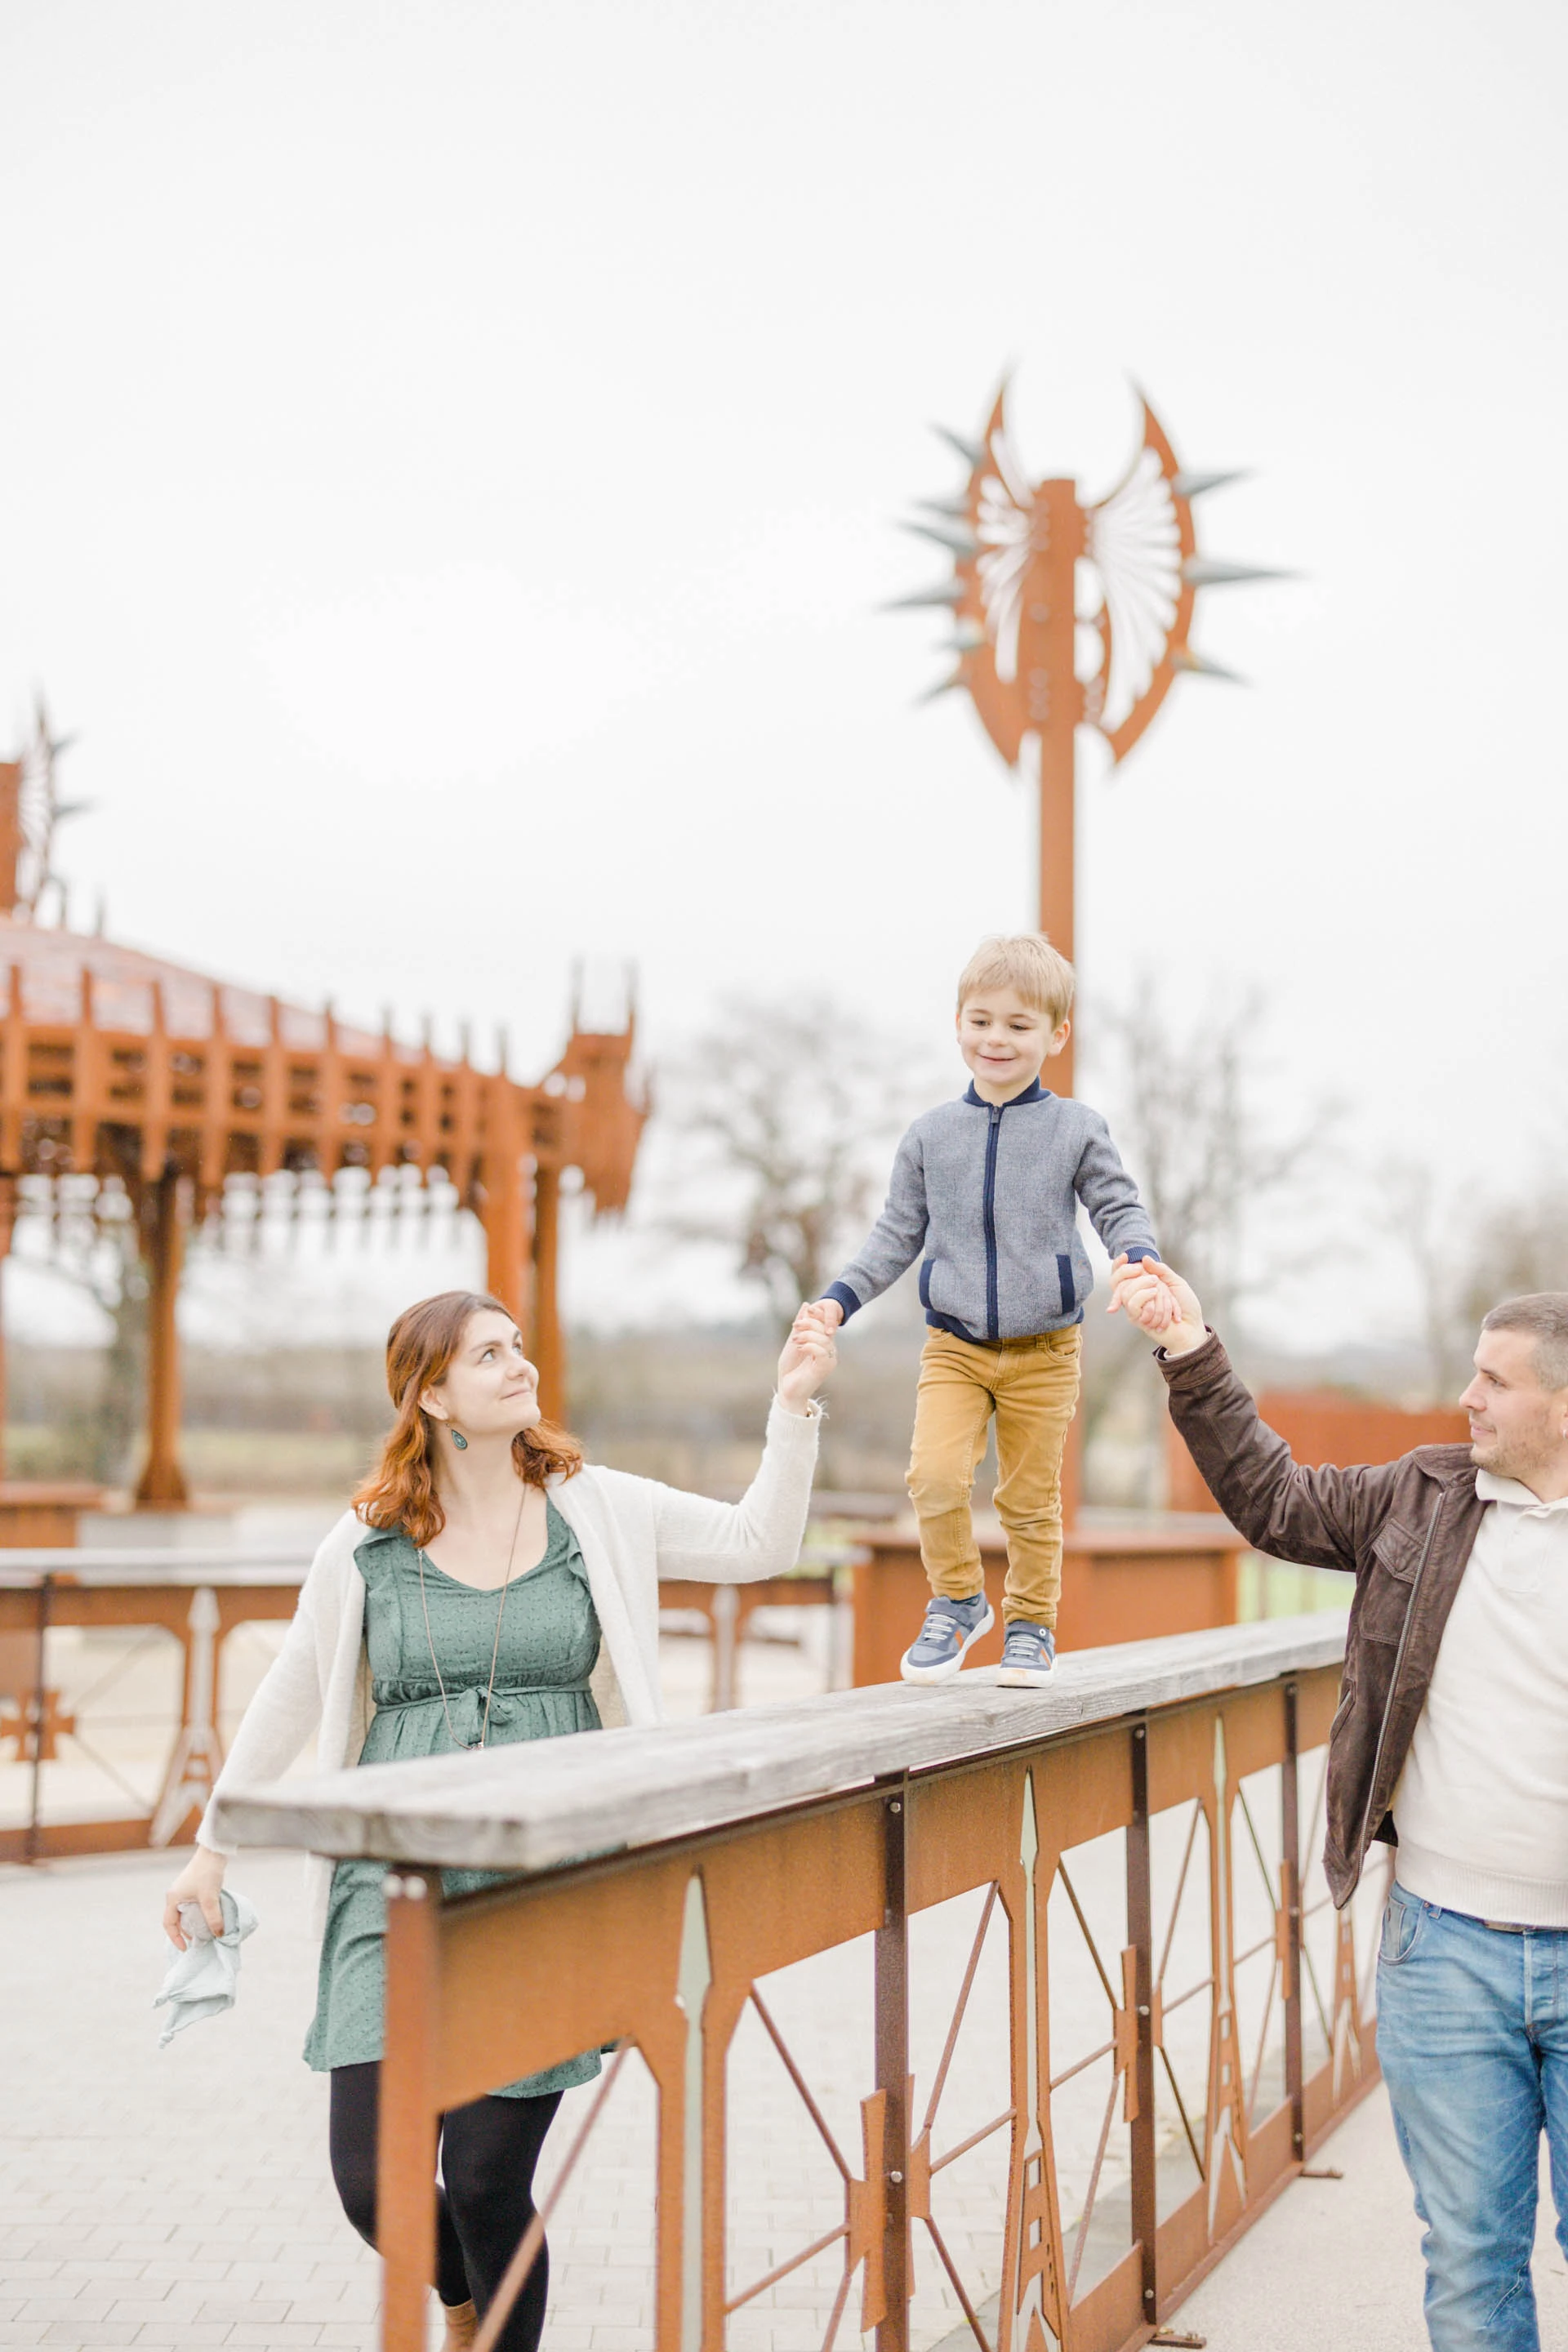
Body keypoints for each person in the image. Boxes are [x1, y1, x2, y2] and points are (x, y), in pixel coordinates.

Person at [162, 1288, 835, 2352]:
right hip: (392, 1879)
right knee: (369, 2185)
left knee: (483, 2180)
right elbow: (293, 1688)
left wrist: (793, 1408)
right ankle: (460, 2300)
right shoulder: (366, 1541)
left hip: (551, 1878)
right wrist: (212, 1848)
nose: (520, 1366)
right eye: (490, 1355)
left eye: (518, 1347)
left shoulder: (596, 1506)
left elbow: (760, 1542)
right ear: (432, 1395)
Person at [1111, 1252, 1568, 2352]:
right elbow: (1273, 1500)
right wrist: (1189, 1349)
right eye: (1473, 1373)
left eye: (1496, 1383)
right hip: (1444, 1953)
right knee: (1470, 2269)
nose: (1468, 1397)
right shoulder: (1421, 1494)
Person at [797, 933, 1159, 1689]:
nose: (998, 1039)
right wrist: (837, 1301)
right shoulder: (931, 1136)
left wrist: (1137, 1259)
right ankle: (959, 1602)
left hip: (1046, 1350)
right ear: (958, 1023)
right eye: (982, 1020)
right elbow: (896, 1236)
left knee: (1029, 1501)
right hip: (954, 1346)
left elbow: (1117, 1206)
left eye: (1020, 1026)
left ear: (1056, 1036)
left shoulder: (1075, 1128)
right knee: (932, 1478)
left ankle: (1030, 1625)